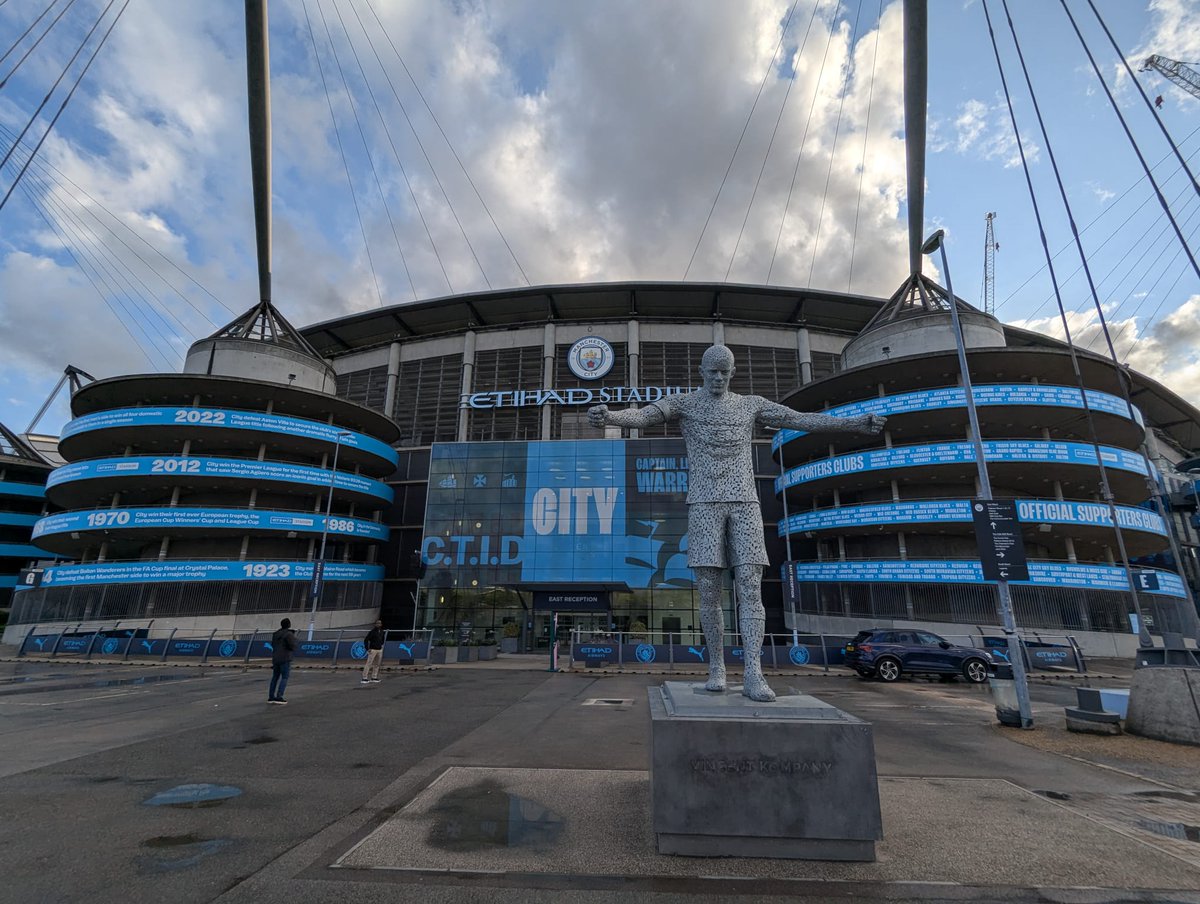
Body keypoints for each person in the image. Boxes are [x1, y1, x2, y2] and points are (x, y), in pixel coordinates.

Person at [588, 344, 885, 702]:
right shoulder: (684, 403)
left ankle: (754, 673)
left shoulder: (751, 405)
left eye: (724, 372)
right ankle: (716, 667)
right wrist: (612, 417)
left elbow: (802, 419)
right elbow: (645, 415)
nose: (718, 378)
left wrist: (853, 424)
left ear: (732, 373)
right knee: (709, 591)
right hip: (703, 503)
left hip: (745, 502)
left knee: (749, 586)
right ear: (701, 371)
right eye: (712, 371)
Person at [268, 617, 297, 704]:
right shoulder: (288, 634)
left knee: (275, 677)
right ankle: (279, 696)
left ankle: (271, 696)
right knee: (284, 677)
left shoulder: (275, 634)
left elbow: (273, 645)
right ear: (289, 625)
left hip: (276, 658)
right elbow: (293, 646)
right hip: (285, 658)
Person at [361, 619, 385, 684]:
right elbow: (366, 639)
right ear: (375, 624)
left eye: (380, 623)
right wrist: (367, 648)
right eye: (377, 623)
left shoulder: (382, 631)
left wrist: (381, 645)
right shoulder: (372, 632)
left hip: (379, 649)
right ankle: (364, 677)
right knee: (369, 663)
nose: (378, 624)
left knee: (377, 664)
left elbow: (382, 639)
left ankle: (374, 677)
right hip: (373, 649)